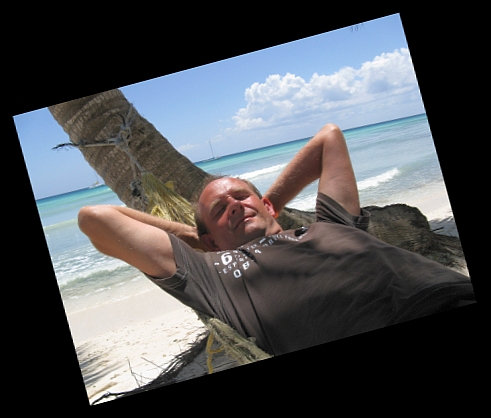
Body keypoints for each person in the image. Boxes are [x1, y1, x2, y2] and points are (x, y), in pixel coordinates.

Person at [78, 123, 476, 356]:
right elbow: (96, 219)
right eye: (220, 209)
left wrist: (267, 207)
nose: (234, 205)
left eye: (241, 196)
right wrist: (196, 239)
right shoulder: (210, 277)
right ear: (210, 241)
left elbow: (329, 137)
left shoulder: (333, 223)